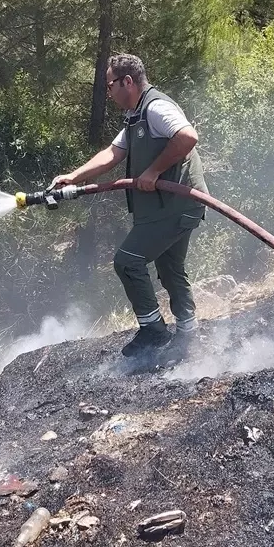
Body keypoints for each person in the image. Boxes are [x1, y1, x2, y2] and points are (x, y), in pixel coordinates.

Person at [51, 54, 208, 361]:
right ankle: (188, 337)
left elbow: (188, 137)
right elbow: (113, 152)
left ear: (127, 82)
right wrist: (74, 176)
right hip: (170, 206)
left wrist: (153, 171)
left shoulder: (155, 107)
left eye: (110, 85)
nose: (108, 93)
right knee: (170, 268)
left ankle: (154, 331)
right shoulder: (136, 115)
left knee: (127, 261)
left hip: (176, 204)